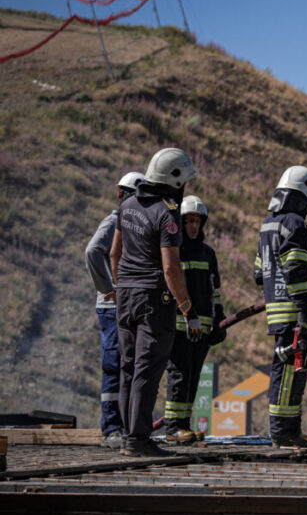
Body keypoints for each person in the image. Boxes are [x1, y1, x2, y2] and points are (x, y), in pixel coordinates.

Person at [109, 148, 198, 457]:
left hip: (126, 297)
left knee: (128, 369)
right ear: (174, 181)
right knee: (147, 369)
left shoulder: (127, 204)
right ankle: (138, 440)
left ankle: (127, 436)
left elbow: (113, 255)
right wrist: (187, 307)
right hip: (153, 302)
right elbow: (171, 268)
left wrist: (122, 288)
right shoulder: (167, 212)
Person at [253, 166, 307, 448]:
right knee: (290, 373)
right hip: (295, 312)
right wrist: (303, 311)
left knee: (285, 371)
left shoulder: (268, 225)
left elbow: (259, 273)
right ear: (299, 197)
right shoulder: (295, 225)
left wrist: (275, 295)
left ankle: (287, 431)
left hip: (278, 309)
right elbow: (297, 269)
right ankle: (285, 433)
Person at [84, 171, 144, 449]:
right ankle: (111, 429)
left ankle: (124, 426)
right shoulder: (114, 221)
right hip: (111, 308)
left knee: (128, 365)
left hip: (126, 306)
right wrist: (108, 287)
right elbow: (93, 251)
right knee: (114, 366)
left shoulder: (131, 225)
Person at [164, 195, 227, 445]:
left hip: (202, 330)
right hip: (180, 328)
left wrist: (218, 319)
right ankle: (172, 428)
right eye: (188, 220)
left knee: (192, 378)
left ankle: (184, 426)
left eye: (197, 221)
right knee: (178, 376)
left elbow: (215, 289)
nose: (193, 226)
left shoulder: (208, 254)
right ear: (180, 223)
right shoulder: (173, 252)